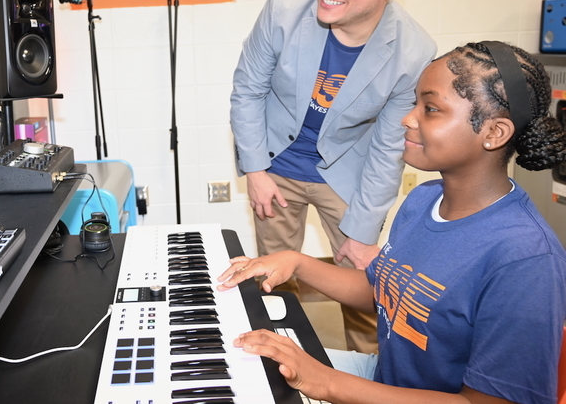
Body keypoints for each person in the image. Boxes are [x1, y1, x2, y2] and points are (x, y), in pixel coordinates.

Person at [220, 41, 566, 404]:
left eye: (430, 109)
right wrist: (297, 262)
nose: (408, 118)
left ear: (494, 133)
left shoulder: (525, 258)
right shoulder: (424, 200)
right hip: (384, 378)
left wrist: (326, 382)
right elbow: (382, 293)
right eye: (415, 102)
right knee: (241, 367)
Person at [230, 0, 437, 353]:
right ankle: (282, 368)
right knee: (275, 284)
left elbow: (388, 148)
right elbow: (247, 90)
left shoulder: (413, 51)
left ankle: (371, 381)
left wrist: (363, 232)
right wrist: (256, 171)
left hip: (345, 173)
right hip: (275, 166)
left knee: (365, 288)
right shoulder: (285, 7)